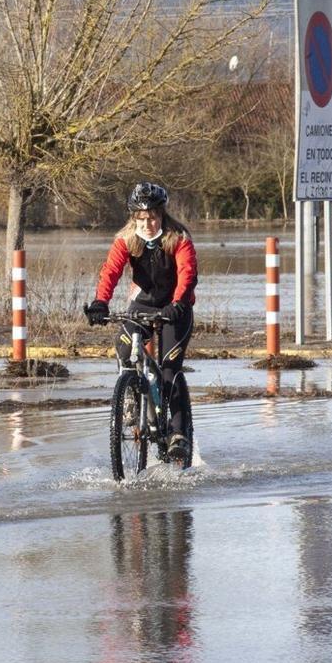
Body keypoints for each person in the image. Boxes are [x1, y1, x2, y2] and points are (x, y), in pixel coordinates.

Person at [84, 182, 198, 459]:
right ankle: (132, 401)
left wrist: (179, 303)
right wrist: (101, 302)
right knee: (124, 348)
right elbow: (110, 271)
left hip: (175, 308)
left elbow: (188, 273)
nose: (147, 223)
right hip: (143, 304)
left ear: (161, 214)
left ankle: (178, 433)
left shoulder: (178, 237)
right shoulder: (126, 239)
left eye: (153, 217)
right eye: (141, 218)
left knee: (170, 369)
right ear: (134, 217)